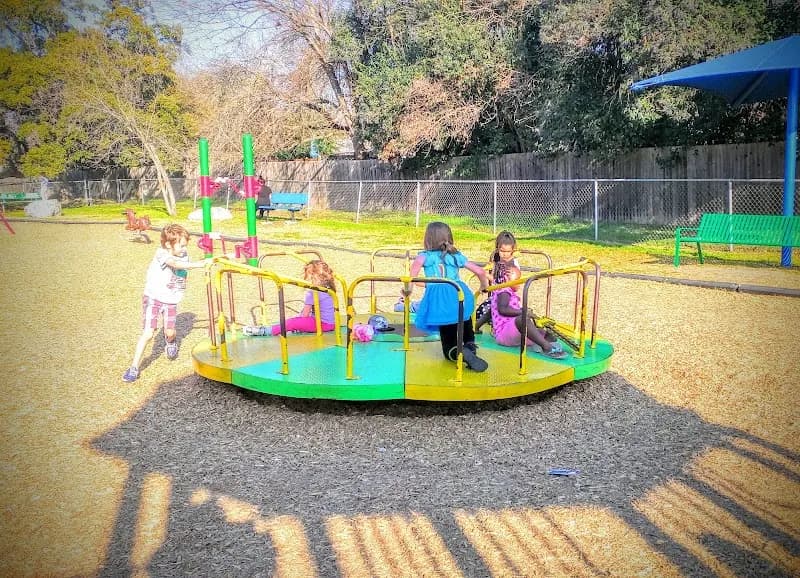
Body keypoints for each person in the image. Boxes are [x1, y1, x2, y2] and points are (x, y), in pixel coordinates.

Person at [122, 224, 206, 382]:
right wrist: (199, 265)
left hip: (170, 300)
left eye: (184, 245)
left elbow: (182, 271)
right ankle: (134, 367)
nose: (183, 249)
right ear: (168, 244)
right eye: (181, 245)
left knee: (170, 332)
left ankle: (171, 342)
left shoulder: (183, 254)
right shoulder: (161, 253)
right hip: (153, 297)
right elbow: (175, 264)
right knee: (148, 333)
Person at [411, 222, 489, 372]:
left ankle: (456, 352)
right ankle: (469, 347)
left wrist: (408, 290)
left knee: (448, 337)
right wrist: (483, 286)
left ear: (427, 239)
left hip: (440, 302)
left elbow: (412, 277)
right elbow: (480, 271)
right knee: (465, 322)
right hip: (459, 294)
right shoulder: (455, 256)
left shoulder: (424, 257)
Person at [490, 263, 567, 358]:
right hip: (504, 334)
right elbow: (503, 309)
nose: (520, 283)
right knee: (522, 319)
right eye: (518, 280)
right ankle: (546, 347)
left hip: (514, 332)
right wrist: (524, 312)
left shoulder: (506, 292)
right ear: (506, 279)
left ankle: (541, 344)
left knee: (545, 334)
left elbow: (491, 312)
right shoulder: (504, 290)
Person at [244, 260, 337, 335]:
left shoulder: (313, 291)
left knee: (292, 322)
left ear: (314, 276)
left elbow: (305, 314)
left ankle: (265, 331)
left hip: (322, 324)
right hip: (332, 323)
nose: (305, 278)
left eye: (307, 275)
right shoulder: (329, 288)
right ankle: (291, 327)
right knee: (296, 320)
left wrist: (298, 322)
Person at [475, 230, 519, 333]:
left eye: (507, 251)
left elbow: (516, 287)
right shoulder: (497, 261)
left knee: (494, 311)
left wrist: (510, 280)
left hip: (507, 295)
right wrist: (485, 275)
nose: (504, 254)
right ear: (497, 248)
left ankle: (494, 329)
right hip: (497, 291)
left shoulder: (513, 264)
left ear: (513, 250)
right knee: (489, 311)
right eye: (502, 251)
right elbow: (495, 279)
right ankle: (478, 326)